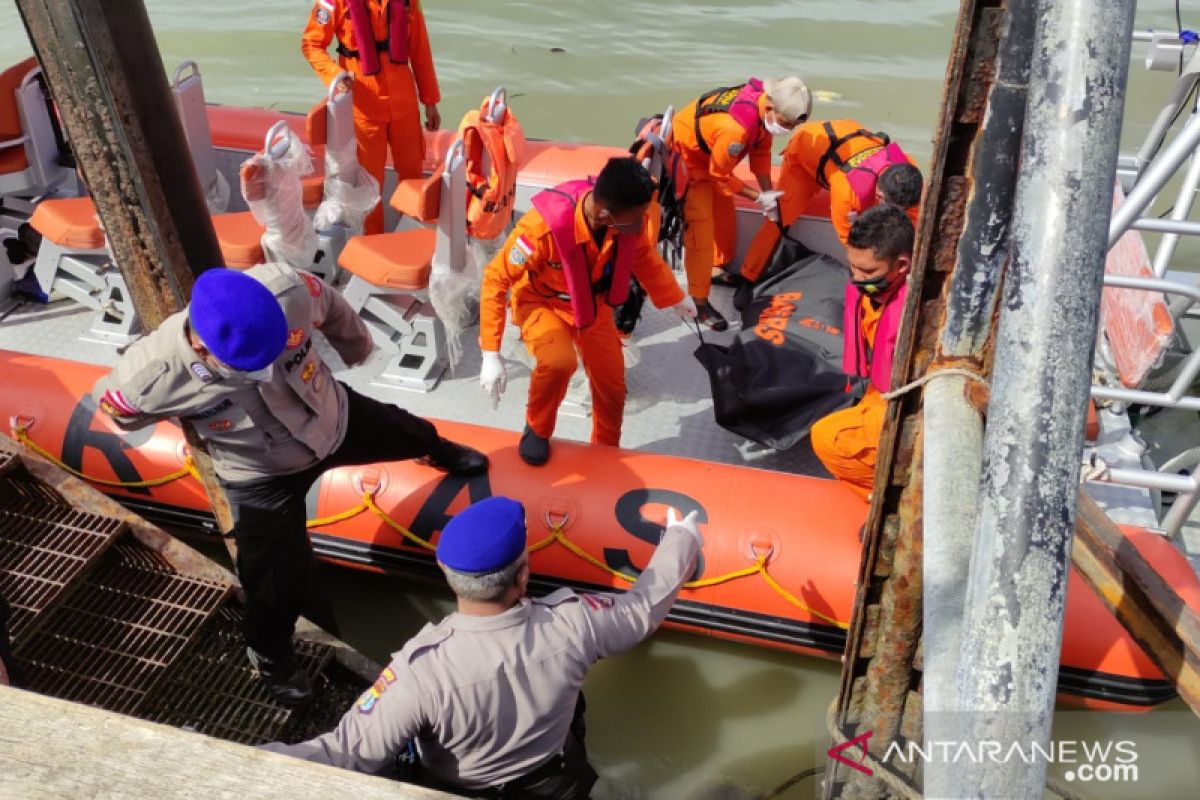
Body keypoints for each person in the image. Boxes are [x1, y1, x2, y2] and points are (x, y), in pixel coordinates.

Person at [91, 265, 488, 705]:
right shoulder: (150, 376)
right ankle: (269, 654)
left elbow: (332, 305)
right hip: (259, 474)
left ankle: (437, 450)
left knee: (408, 429)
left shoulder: (287, 290)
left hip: (332, 419)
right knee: (269, 582)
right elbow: (121, 413)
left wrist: (356, 348)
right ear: (203, 347)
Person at [261, 495, 704, 799]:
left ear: (445, 571)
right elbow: (641, 610)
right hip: (555, 785)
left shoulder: (420, 671)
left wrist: (251, 762)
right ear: (523, 576)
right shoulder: (574, 623)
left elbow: (347, 754)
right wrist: (681, 539)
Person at [478, 157, 698, 466]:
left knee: (612, 383)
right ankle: (537, 428)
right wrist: (491, 353)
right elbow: (495, 279)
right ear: (606, 214)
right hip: (543, 303)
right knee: (559, 362)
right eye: (635, 221)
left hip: (593, 308)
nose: (639, 227)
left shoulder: (624, 225)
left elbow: (645, 258)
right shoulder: (540, 229)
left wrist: (675, 298)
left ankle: (605, 448)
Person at [669, 76, 812, 331]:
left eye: (792, 126)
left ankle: (715, 267)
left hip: (712, 154)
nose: (787, 130)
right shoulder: (735, 131)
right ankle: (700, 302)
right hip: (688, 160)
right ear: (770, 109)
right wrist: (757, 197)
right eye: (785, 124)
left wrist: (769, 194)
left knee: (725, 218)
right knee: (701, 232)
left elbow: (761, 152)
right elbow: (719, 176)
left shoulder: (762, 111)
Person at [302, 0, 441, 235]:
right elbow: (312, 44)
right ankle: (373, 241)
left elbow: (420, 48)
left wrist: (430, 101)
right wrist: (335, 76)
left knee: (413, 175)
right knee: (369, 185)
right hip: (363, 104)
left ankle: (415, 238)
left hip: (404, 101)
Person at [810, 204, 913, 499]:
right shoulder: (872, 291)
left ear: (902, 266)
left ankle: (889, 499)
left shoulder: (913, 313)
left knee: (826, 438)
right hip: (877, 390)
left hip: (898, 401)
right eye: (852, 266)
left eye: (867, 270)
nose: (856, 278)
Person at [740, 119, 923, 283]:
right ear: (880, 194)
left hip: (848, 133)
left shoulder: (908, 170)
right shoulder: (846, 194)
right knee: (778, 218)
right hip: (806, 153)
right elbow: (851, 240)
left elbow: (914, 217)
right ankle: (748, 276)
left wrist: (908, 261)